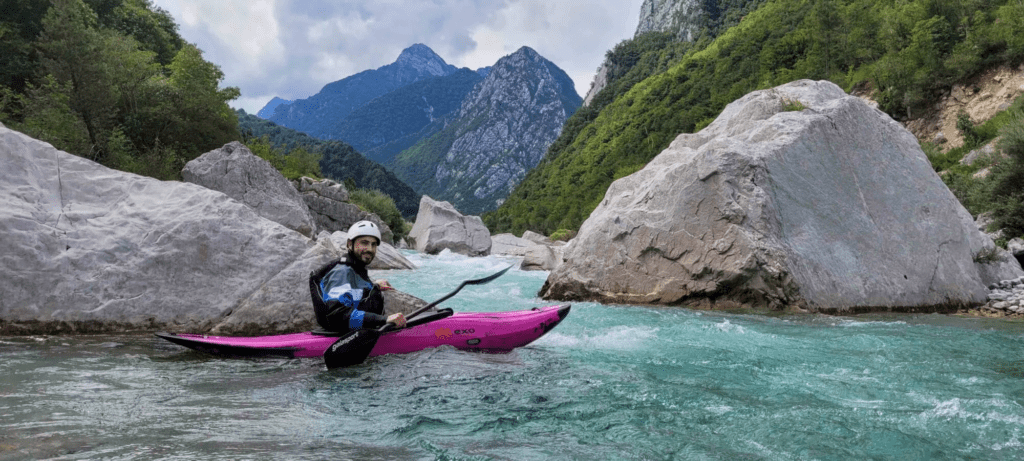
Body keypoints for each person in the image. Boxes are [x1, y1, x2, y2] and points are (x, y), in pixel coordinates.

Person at [312, 220, 407, 332]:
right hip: (342, 338)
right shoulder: (342, 272)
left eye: (373, 244)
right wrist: (384, 320)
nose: (370, 249)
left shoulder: (356, 268)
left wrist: (374, 285)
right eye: (364, 243)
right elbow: (337, 315)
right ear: (349, 244)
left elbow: (354, 290)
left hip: (357, 334)